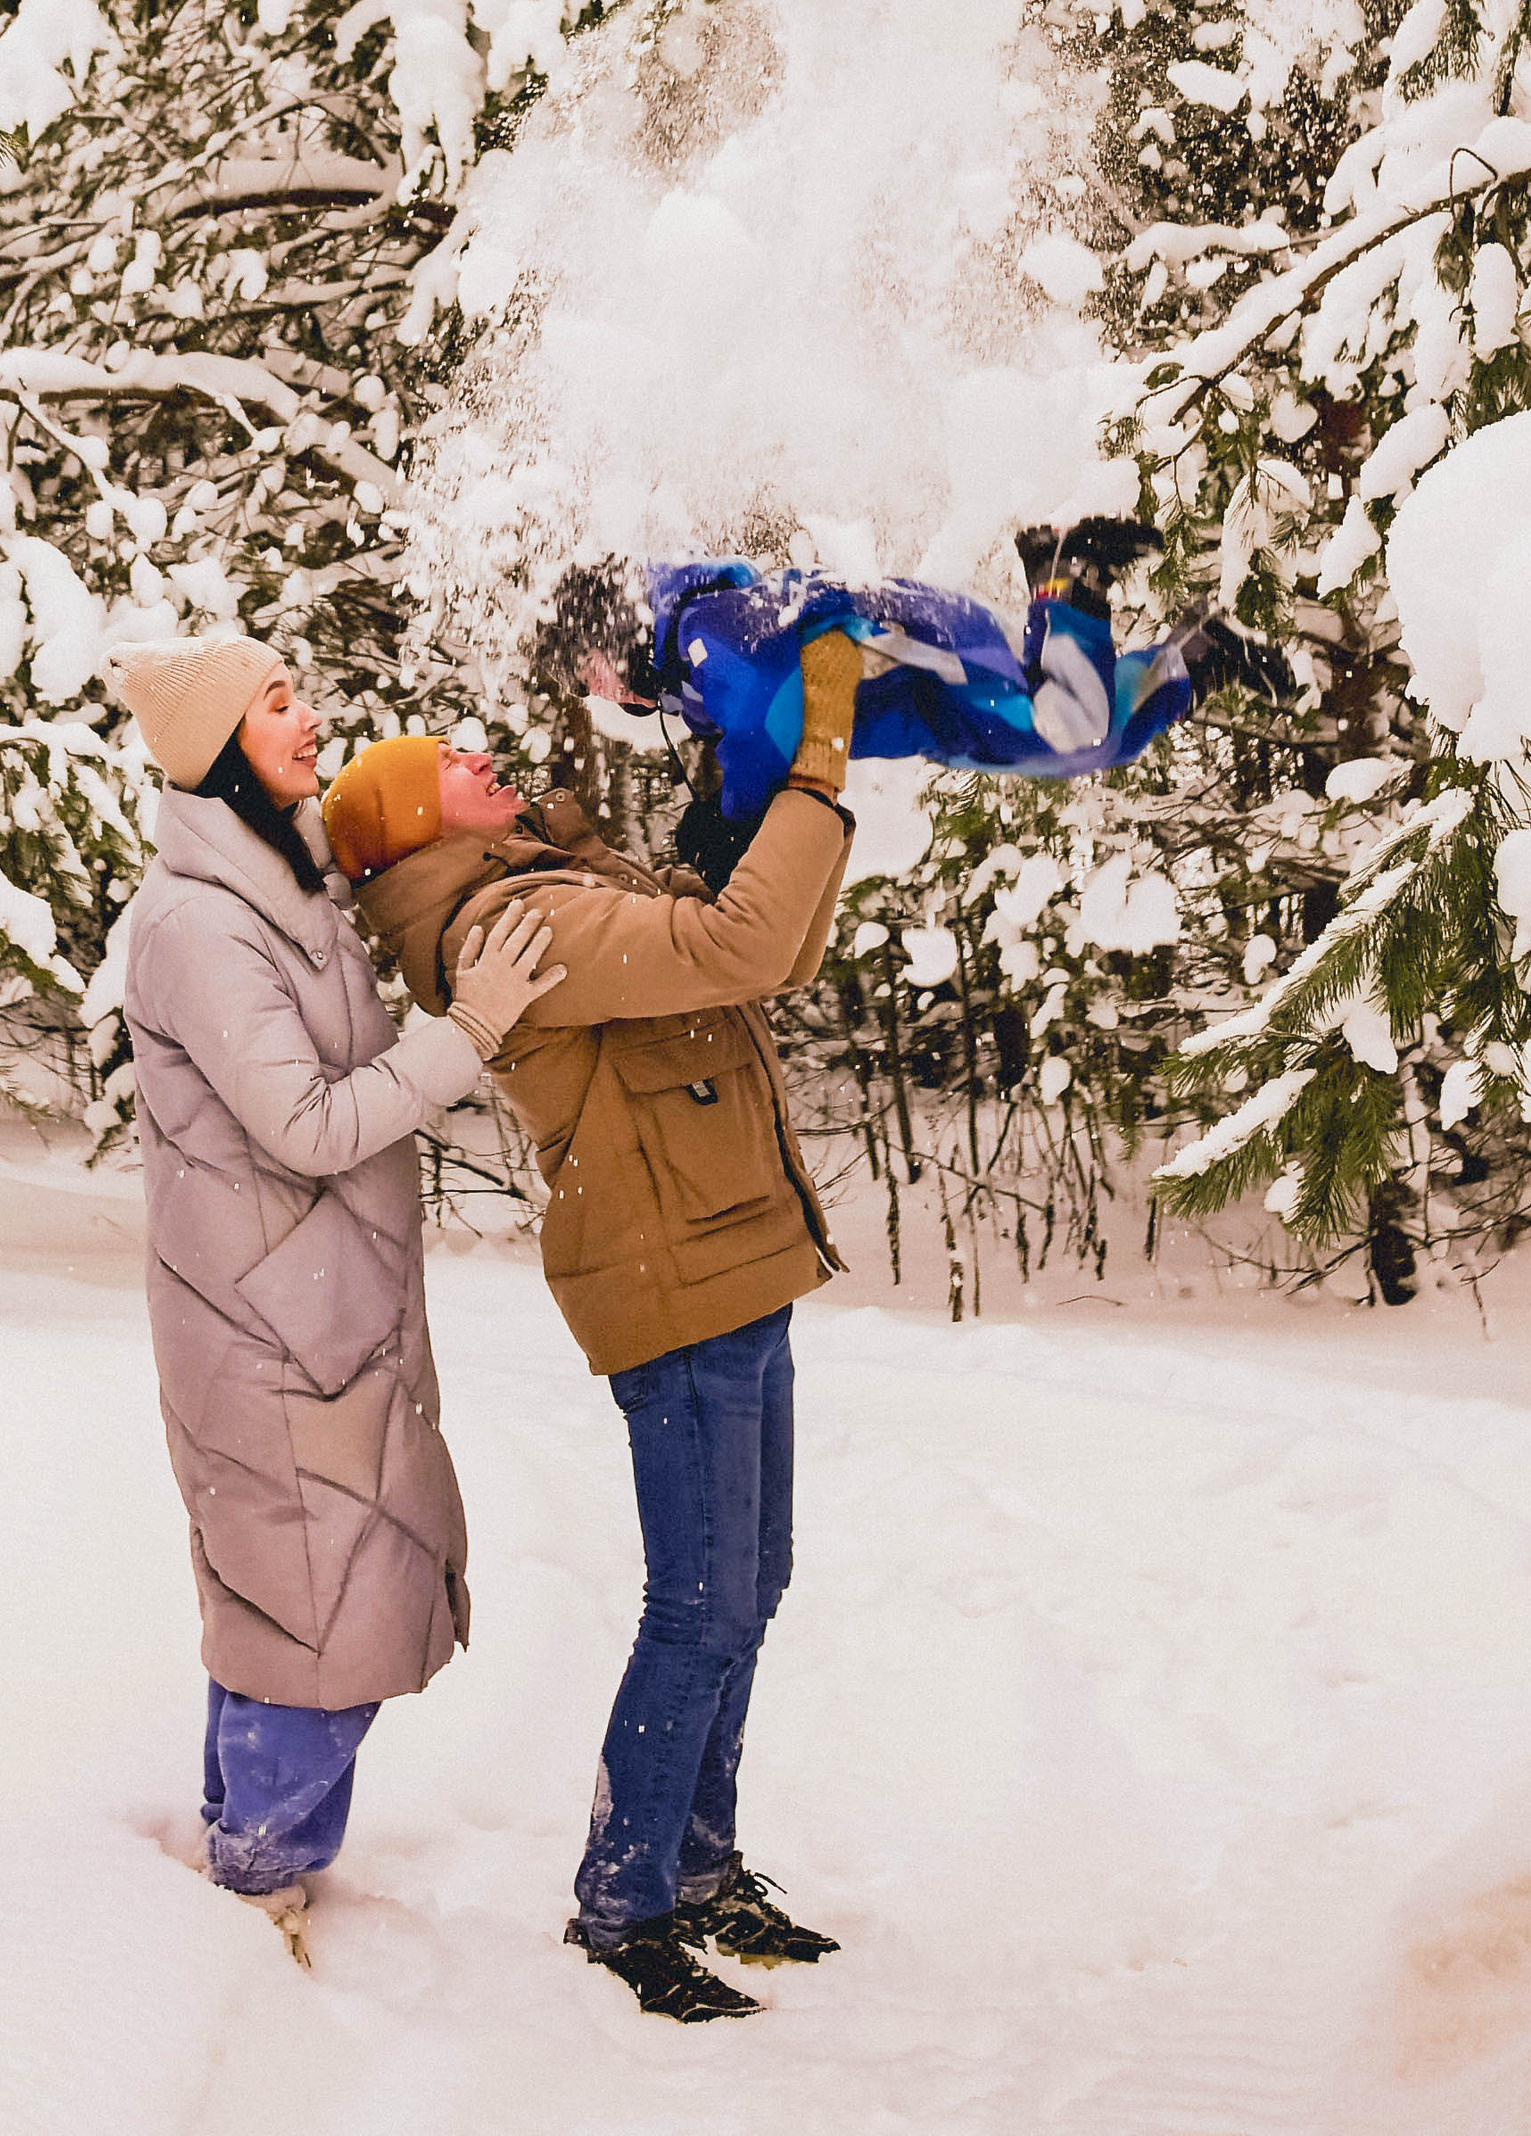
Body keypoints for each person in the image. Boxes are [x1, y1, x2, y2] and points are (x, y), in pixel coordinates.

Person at [325, 650, 864, 2029]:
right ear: (413, 824)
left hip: (726, 1252)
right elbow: (741, 944)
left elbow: (772, 951)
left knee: (751, 1586)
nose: (478, 757)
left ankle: (697, 1864)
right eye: (441, 764)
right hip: (669, 1276)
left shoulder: (546, 883)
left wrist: (743, 796)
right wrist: (814, 761)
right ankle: (624, 1903)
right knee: (697, 1606)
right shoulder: (515, 925)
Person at [113, 638, 559, 1963]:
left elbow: (401, 811)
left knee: (301, 1599)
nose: (309, 722)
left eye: (298, 694)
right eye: (275, 705)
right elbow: (305, 1122)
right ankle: (252, 1895)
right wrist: (466, 1035)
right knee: (307, 1610)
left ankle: (257, 1862)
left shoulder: (284, 888)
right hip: (261, 1327)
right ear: (213, 750)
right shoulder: (200, 923)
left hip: (312, 1314)